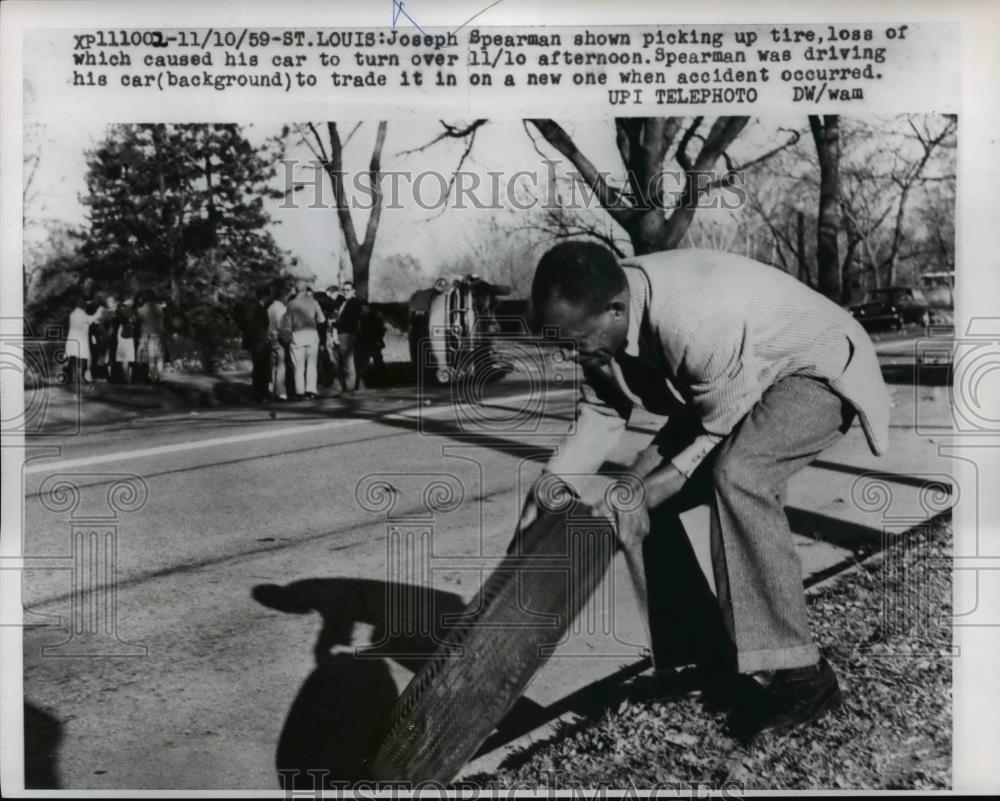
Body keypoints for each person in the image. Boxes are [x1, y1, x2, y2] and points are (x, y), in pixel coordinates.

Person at [520, 242, 890, 742]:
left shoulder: (694, 318)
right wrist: (547, 492)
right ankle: (706, 656)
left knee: (741, 475)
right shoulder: (600, 319)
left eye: (578, 342)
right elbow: (604, 411)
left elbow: (717, 436)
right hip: (739, 388)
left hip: (817, 369)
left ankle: (802, 676)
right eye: (562, 345)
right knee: (628, 495)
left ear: (616, 309)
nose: (574, 355)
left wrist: (652, 488)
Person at [281, 279, 326, 401]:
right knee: (312, 364)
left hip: (298, 334)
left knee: (298, 366)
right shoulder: (313, 302)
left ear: (295, 290)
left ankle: (299, 392)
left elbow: (287, 322)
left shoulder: (291, 304)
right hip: (312, 333)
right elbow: (322, 319)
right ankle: (311, 391)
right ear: (306, 290)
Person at [241, 284, 273, 403]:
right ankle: (260, 393)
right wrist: (265, 338)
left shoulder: (251, 307)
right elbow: (258, 326)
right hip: (260, 341)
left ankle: (259, 393)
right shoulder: (258, 308)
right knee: (262, 368)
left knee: (259, 367)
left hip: (255, 341)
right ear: (265, 296)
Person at [65, 294, 103, 385]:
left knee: (73, 358)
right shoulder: (81, 314)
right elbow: (91, 319)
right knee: (81, 358)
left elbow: (88, 321)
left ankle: (72, 378)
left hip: (73, 338)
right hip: (80, 339)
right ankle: (80, 378)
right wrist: (100, 311)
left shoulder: (73, 313)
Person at [335, 281, 362, 394]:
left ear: (353, 291)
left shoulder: (354, 303)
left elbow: (349, 321)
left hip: (347, 333)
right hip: (342, 333)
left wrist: (334, 324)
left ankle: (350, 388)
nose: (345, 292)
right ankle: (346, 387)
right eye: (344, 290)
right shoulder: (343, 302)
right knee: (343, 362)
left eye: (348, 290)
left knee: (348, 363)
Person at [135, 290, 165, 383]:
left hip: (147, 335)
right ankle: (160, 378)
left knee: (151, 359)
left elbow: (138, 321)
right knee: (159, 358)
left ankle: (152, 378)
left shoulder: (141, 310)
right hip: (159, 334)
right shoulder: (159, 308)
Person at [266, 283, 290, 401]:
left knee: (273, 366)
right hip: (279, 338)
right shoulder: (281, 308)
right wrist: (287, 338)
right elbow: (282, 325)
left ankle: (272, 389)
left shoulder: (270, 307)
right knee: (281, 366)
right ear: (283, 296)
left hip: (271, 337)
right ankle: (280, 392)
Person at [356, 302, 387, 388]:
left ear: (368, 307)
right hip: (365, 342)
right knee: (363, 363)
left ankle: (381, 381)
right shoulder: (360, 316)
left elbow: (381, 329)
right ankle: (363, 382)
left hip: (374, 341)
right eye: (362, 308)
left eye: (364, 307)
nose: (363, 310)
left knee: (378, 362)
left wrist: (378, 338)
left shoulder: (375, 315)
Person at [111, 296, 137, 384]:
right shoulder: (129, 310)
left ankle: (125, 376)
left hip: (121, 332)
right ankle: (127, 377)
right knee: (127, 356)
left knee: (123, 357)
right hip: (128, 333)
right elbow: (134, 320)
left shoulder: (119, 309)